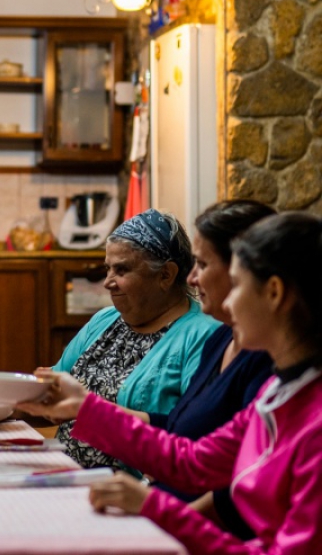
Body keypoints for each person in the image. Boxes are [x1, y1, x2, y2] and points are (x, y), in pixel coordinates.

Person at [17, 212, 322, 555]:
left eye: (238, 286)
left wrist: (156, 509)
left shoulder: (313, 426)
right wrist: (84, 407)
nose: (227, 302)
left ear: (274, 293)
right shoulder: (278, 393)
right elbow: (191, 461)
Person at [50, 208, 220, 470]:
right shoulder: (105, 320)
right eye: (107, 269)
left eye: (121, 270)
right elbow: (53, 386)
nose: (107, 282)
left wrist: (87, 409)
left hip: (127, 486)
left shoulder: (202, 335)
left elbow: (189, 432)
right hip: (63, 473)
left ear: (166, 275)